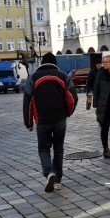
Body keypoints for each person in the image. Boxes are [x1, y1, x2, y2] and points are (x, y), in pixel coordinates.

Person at [23, 52, 78, 192]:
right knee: (58, 149)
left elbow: (27, 102)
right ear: (55, 63)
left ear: (42, 62)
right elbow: (72, 97)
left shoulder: (33, 78)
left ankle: (49, 172)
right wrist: (67, 113)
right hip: (60, 119)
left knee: (43, 149)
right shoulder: (64, 77)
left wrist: (28, 122)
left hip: (42, 120)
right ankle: (58, 180)